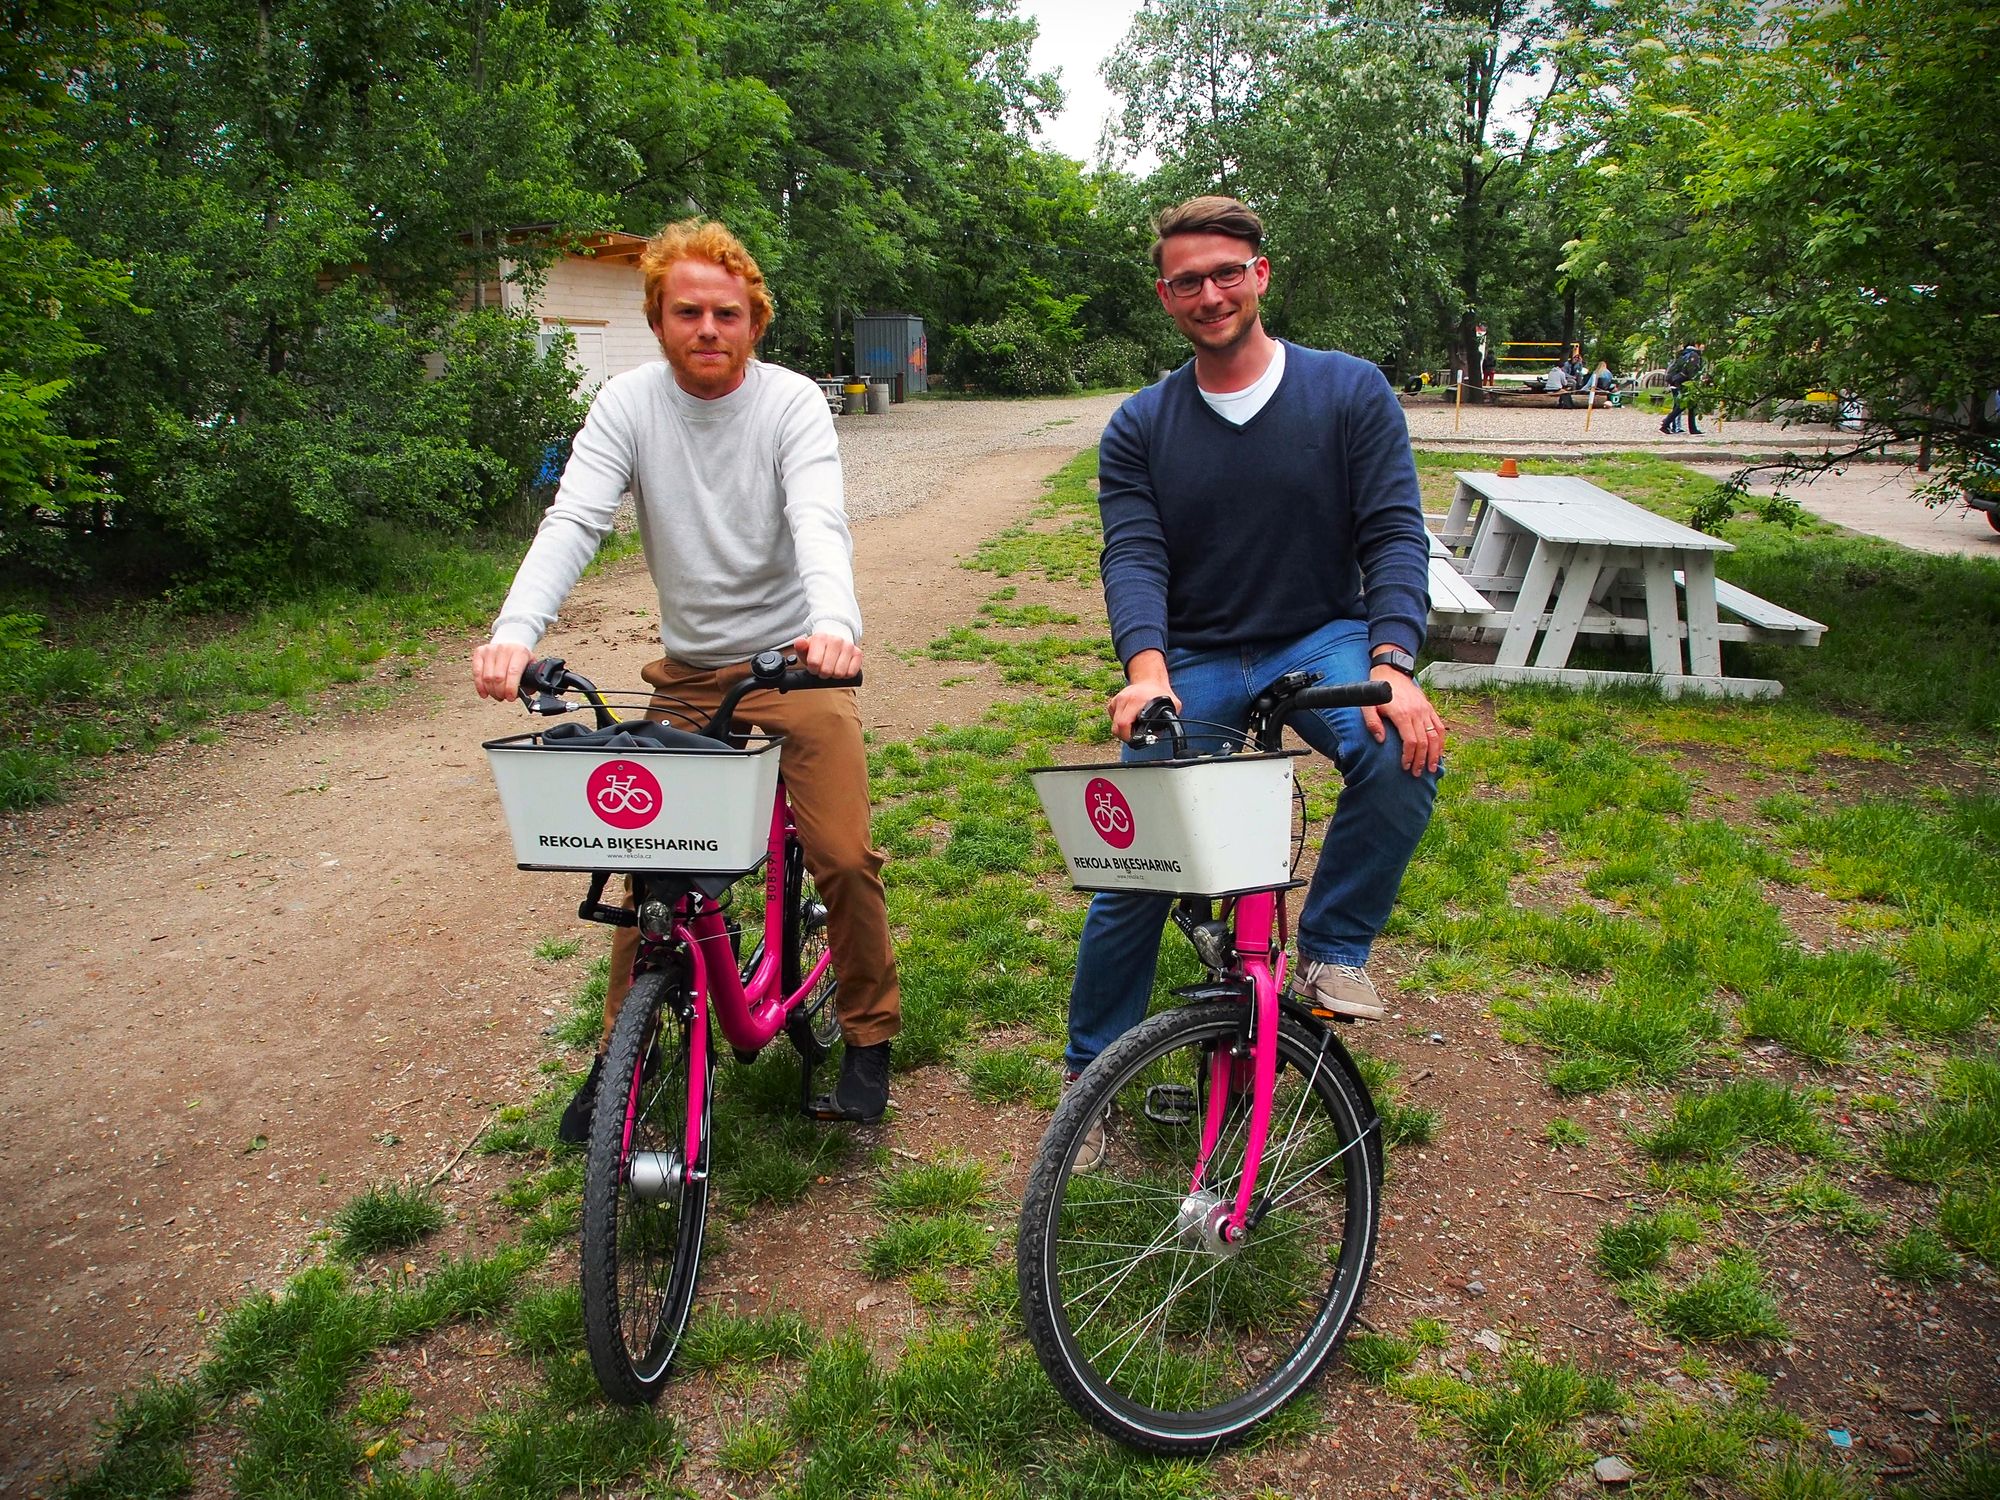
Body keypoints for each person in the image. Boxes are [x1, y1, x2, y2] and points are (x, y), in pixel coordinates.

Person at [471, 219, 901, 1132]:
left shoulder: (790, 405)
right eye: (688, 312)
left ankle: (869, 1036)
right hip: (690, 673)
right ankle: (621, 1059)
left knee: (842, 857)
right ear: (659, 322)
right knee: (647, 868)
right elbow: (575, 520)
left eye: (727, 313)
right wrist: (515, 633)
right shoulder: (628, 404)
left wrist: (834, 626)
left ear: (756, 323)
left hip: (797, 666)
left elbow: (818, 517)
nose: (708, 328)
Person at [1064, 195, 1443, 1159]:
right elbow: (1133, 555)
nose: (1209, 293)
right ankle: (1092, 1076)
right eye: (1187, 280)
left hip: (1316, 636)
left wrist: (1394, 663)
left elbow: (1396, 534)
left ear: (1260, 275)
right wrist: (1146, 669)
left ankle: (1332, 952)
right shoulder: (1141, 425)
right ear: (1165, 296)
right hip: (1191, 656)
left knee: (1402, 752)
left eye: (1226, 272)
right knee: (1137, 855)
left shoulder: (1350, 392)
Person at [1661, 340, 1705, 434]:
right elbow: (1691, 370)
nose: (1703, 346)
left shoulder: (1683, 353)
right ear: (1696, 344)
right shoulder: (1694, 355)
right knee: (1682, 404)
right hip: (1685, 381)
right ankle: (1666, 423)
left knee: (1690, 404)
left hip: (1678, 379)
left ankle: (1692, 428)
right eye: (1702, 344)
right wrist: (1694, 381)